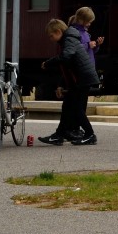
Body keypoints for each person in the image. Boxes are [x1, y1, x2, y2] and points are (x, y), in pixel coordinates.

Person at [39, 18, 99, 146]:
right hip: (79, 77)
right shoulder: (69, 38)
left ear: (58, 31)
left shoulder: (69, 39)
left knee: (76, 107)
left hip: (82, 78)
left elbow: (66, 56)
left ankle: (90, 134)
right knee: (67, 106)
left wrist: (48, 63)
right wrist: (61, 84)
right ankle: (59, 135)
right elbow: (66, 66)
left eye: (51, 36)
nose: (51, 39)